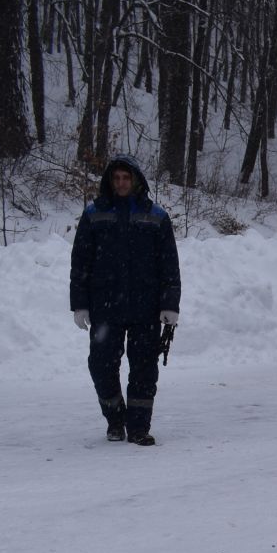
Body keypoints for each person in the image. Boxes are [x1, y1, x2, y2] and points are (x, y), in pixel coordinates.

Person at [69, 155, 180, 446]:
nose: (121, 183)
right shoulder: (94, 214)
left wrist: (170, 304)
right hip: (105, 305)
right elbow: (80, 262)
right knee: (101, 365)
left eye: (126, 178)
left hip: (146, 305)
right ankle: (116, 419)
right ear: (109, 181)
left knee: (144, 367)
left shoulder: (156, 216)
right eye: (116, 178)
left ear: (136, 181)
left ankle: (139, 427)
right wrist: (79, 304)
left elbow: (169, 265)